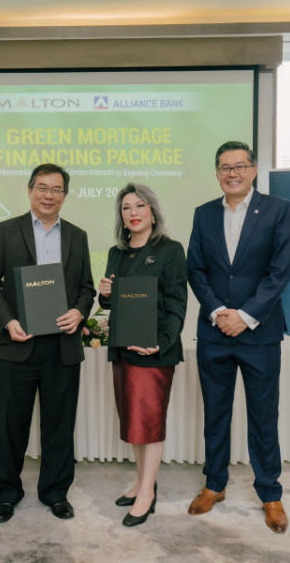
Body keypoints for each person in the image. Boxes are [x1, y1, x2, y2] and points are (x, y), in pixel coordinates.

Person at [186, 141, 290, 534]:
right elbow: (195, 270)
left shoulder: (278, 209)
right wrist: (218, 313)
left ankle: (270, 493)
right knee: (216, 414)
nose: (232, 173)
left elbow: (279, 272)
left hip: (259, 333)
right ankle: (214, 484)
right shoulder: (203, 214)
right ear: (217, 173)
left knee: (264, 417)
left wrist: (245, 316)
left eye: (239, 166)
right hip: (214, 332)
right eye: (224, 167)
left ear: (253, 170)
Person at [0, 163, 96, 523]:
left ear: (65, 194)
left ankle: (56, 492)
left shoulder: (77, 236)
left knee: (59, 423)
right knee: (10, 423)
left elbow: (86, 288)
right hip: (19, 340)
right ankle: (5, 493)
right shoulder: (7, 230)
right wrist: (8, 320)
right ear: (30, 190)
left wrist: (79, 312)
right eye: (42, 188)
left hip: (61, 344)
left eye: (57, 189)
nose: (49, 195)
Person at [97, 183, 187, 527]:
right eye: (126, 208)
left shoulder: (170, 250)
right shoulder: (116, 252)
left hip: (154, 351)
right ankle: (141, 481)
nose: (132, 213)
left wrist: (162, 342)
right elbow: (111, 303)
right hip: (123, 348)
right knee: (133, 422)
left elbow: (178, 303)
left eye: (140, 206)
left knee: (150, 423)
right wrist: (105, 293)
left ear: (153, 211)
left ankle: (147, 492)